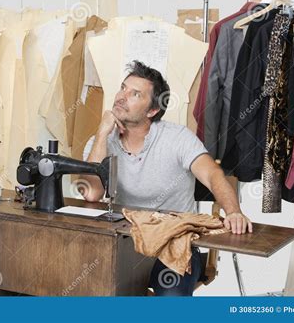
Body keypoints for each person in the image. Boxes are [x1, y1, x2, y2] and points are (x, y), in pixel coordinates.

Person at [80, 60, 252, 296]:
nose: (121, 96)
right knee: (86, 287)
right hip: (125, 245)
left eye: (135, 94)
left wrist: (233, 211)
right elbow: (92, 193)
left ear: (152, 111)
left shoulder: (177, 138)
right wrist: (101, 134)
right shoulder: (101, 140)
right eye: (123, 88)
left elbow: (213, 175)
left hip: (174, 246)